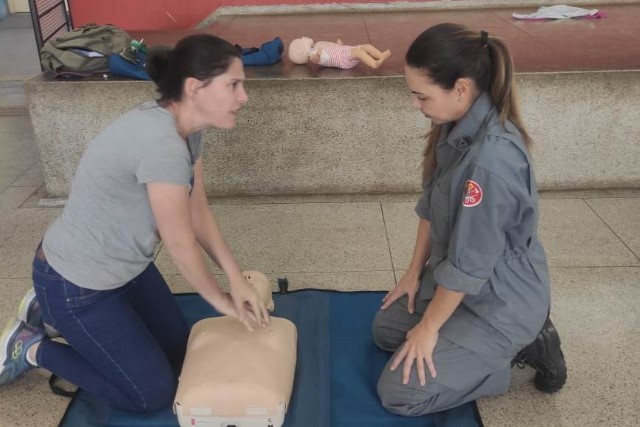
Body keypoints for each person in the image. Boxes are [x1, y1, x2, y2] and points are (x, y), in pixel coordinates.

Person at [0, 34, 270, 412]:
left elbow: (198, 213)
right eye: (233, 85)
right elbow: (179, 243)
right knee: (150, 394)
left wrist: (236, 279)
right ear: (195, 88)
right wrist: (221, 302)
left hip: (126, 270)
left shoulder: (185, 130)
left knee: (180, 351)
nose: (243, 97)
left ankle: (48, 314)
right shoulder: (160, 144)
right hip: (76, 285)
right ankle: (32, 347)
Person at [372, 23, 567, 416]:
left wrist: (428, 329)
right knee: (386, 331)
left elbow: (470, 264)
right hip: (462, 281)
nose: (415, 105)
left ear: (460, 89)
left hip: (500, 301)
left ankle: (525, 344)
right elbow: (431, 205)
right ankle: (458, 334)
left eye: (421, 95)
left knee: (399, 393)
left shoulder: (492, 161)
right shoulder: (453, 126)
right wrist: (413, 273)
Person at [288, 37, 391, 69]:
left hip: (345, 49)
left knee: (366, 46)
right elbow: (315, 60)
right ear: (300, 51)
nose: (303, 37)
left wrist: (338, 44)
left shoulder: (318, 44)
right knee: (360, 53)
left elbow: (331, 47)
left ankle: (380, 55)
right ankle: (374, 64)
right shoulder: (312, 54)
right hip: (342, 59)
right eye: (301, 39)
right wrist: (317, 55)